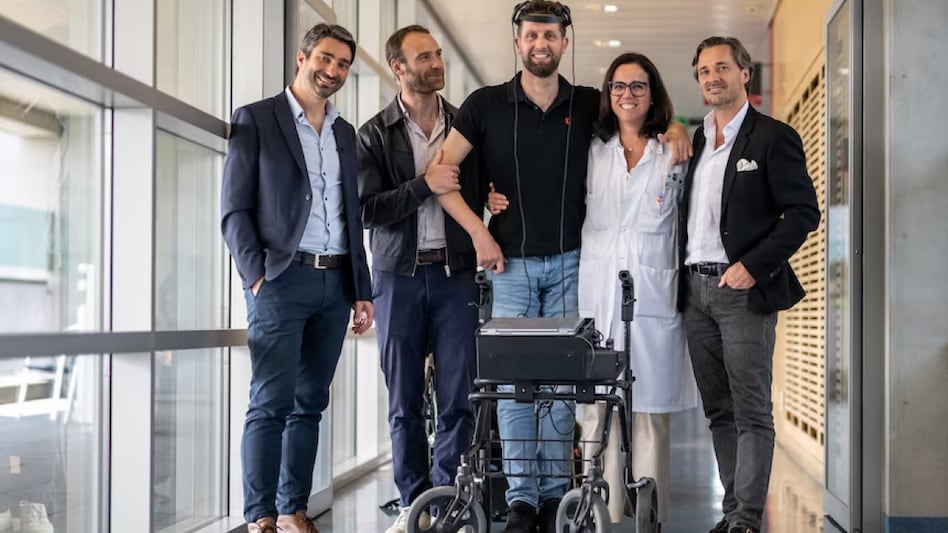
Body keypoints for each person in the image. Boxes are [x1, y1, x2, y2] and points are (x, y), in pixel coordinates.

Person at [429, 2, 691, 531]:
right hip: (511, 267)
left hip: (574, 265)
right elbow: (439, 173)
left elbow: (643, 113)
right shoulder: (485, 105)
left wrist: (681, 125)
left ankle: (554, 497)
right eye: (531, 35)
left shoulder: (591, 104)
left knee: (559, 388)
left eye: (550, 34)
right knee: (514, 386)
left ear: (565, 42)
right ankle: (524, 499)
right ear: (518, 42)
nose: (540, 43)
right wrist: (479, 229)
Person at [221, 23, 374, 533]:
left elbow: (350, 214)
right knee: (270, 401)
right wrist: (256, 277)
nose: (333, 71)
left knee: (310, 404)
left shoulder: (345, 133)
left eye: (343, 64)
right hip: (282, 281)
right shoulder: (258, 119)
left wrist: (361, 290)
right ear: (302, 57)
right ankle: (259, 515)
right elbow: (234, 210)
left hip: (335, 284)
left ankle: (292, 510)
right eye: (325, 59)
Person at [679, 37, 819, 533]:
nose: (711, 77)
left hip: (742, 291)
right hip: (693, 293)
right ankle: (734, 512)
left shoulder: (771, 137)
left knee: (751, 408)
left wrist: (755, 265)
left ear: (744, 74)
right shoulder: (698, 141)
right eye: (702, 71)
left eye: (721, 67)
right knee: (719, 409)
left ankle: (747, 520)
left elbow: (804, 212)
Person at [356, 25, 485, 533]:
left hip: (455, 278)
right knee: (404, 400)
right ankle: (415, 506)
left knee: (459, 396)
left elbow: (480, 187)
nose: (435, 62)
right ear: (398, 67)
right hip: (398, 281)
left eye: (436, 54)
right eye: (423, 56)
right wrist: (422, 186)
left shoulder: (464, 125)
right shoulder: (373, 134)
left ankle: (447, 501)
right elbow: (367, 210)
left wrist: (491, 202)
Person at [576, 52, 698, 527]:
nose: (627, 94)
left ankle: (650, 518)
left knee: (648, 418)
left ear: (654, 95)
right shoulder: (591, 150)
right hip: (598, 295)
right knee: (594, 416)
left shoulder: (675, 151)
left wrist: (681, 126)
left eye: (638, 86)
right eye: (619, 86)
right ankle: (597, 515)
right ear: (609, 95)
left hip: (652, 296)